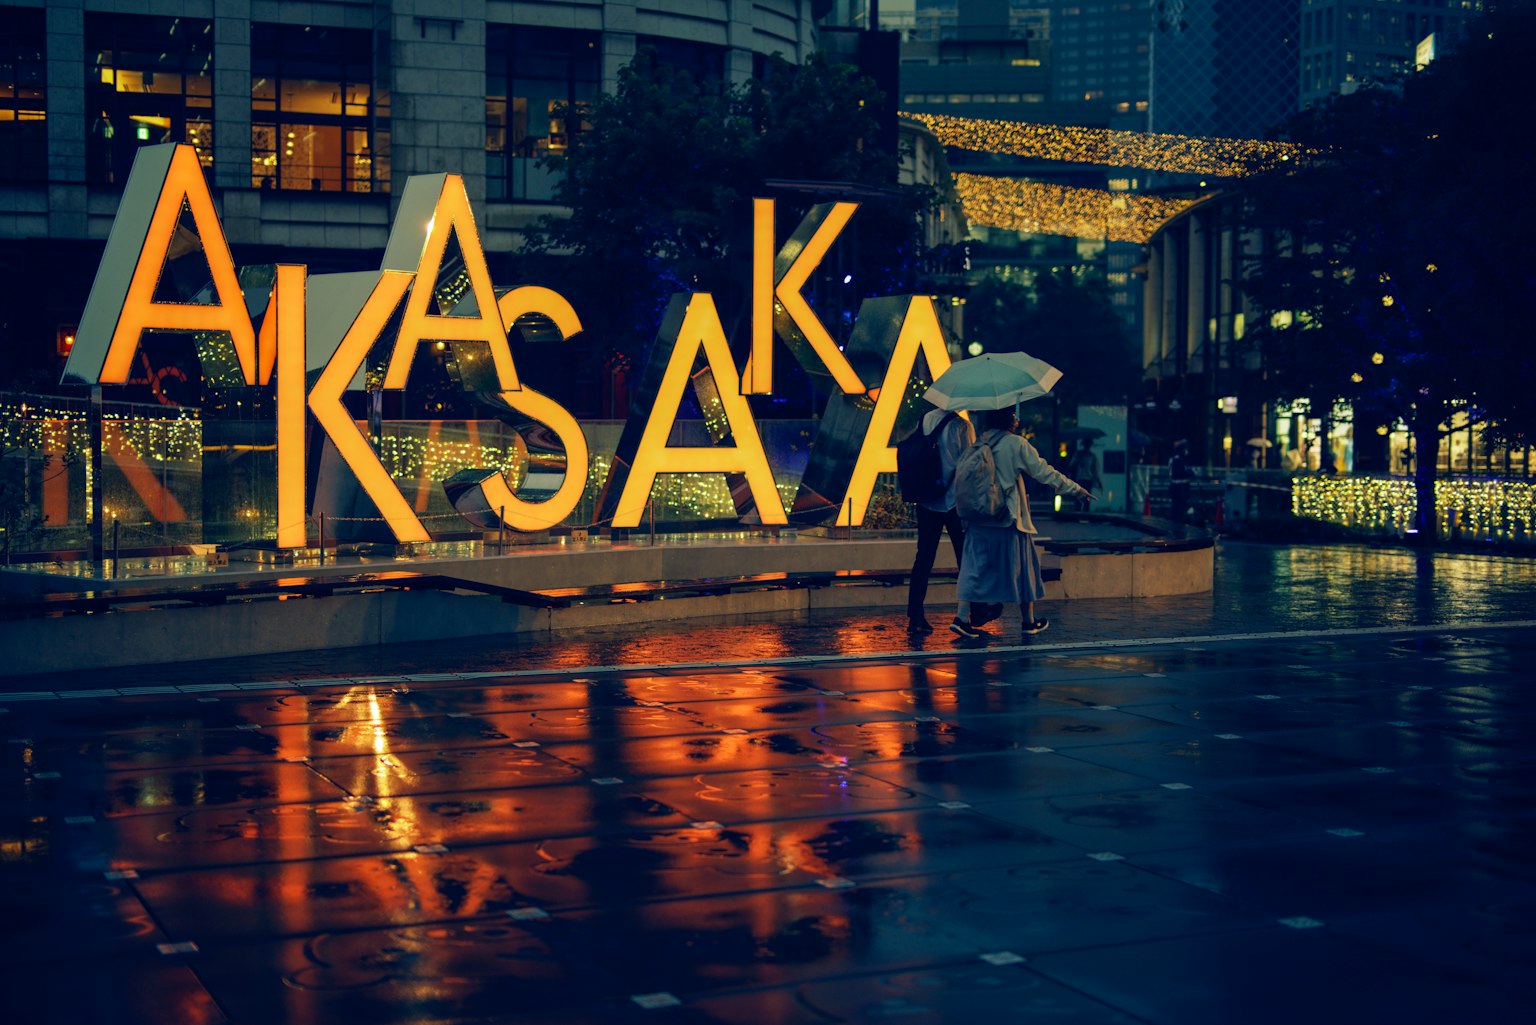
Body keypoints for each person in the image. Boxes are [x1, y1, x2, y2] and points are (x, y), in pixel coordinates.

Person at [951, 407, 1095, 639]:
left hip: (978, 519)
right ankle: (1028, 621)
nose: (1017, 419)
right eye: (1014, 416)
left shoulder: (979, 443)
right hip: (1006, 518)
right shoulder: (1016, 444)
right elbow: (1045, 472)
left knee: (972, 569)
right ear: (1009, 419)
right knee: (1023, 570)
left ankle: (960, 617)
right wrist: (1075, 489)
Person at [906, 404, 976, 634]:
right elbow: (969, 466)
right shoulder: (962, 426)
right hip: (954, 502)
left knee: (923, 559)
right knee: (965, 559)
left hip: (927, 499)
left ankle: (915, 614)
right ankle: (970, 612)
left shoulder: (926, 418)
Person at [1066, 439, 1102, 512]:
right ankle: (1077, 514)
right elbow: (1071, 465)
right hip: (1080, 479)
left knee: (1087, 499)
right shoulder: (1079, 454)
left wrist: (1097, 480)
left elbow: (1095, 470)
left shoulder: (1092, 456)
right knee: (1078, 497)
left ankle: (1086, 514)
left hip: (1088, 479)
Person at [1168, 438, 1193, 525]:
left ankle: (1176, 523)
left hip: (1174, 486)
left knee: (1176, 506)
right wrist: (1189, 473)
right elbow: (1181, 473)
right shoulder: (1179, 460)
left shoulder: (1173, 459)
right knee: (1181, 507)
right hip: (1181, 486)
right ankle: (1179, 525)